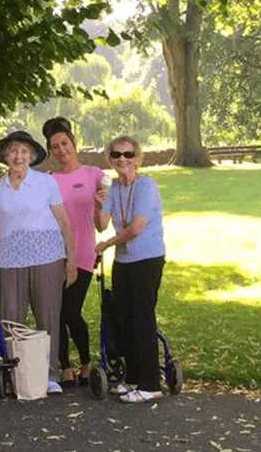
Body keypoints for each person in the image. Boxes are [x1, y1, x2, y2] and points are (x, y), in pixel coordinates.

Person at [0, 131, 77, 395]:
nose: (18, 156)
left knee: (48, 316)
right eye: (13, 151)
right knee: (11, 318)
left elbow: (65, 223)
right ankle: (15, 375)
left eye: (23, 151)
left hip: (48, 258)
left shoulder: (46, 183)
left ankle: (50, 375)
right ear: (5, 157)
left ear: (32, 156)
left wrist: (71, 261)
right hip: (9, 261)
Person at [95, 135, 166, 404]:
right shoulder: (114, 187)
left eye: (128, 154)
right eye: (116, 155)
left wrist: (106, 244)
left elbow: (136, 228)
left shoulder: (146, 185)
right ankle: (134, 378)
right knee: (125, 320)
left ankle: (151, 383)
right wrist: (98, 203)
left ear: (137, 158)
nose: (122, 159)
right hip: (123, 261)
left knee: (142, 319)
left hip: (147, 259)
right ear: (110, 159)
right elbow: (102, 224)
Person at [42, 117, 109, 387]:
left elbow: (102, 226)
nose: (61, 150)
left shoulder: (95, 175)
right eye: (55, 146)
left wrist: (97, 205)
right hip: (53, 255)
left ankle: (84, 361)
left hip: (82, 254)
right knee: (55, 313)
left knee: (71, 312)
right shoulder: (48, 180)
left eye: (64, 143)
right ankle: (65, 366)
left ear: (74, 142)